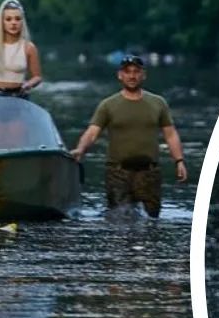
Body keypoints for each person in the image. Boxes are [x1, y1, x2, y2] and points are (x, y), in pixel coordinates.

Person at [70, 54, 187, 218]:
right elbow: (92, 132)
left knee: (151, 221)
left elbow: (170, 134)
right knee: (120, 221)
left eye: (136, 71)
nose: (132, 76)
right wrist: (80, 150)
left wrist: (179, 160)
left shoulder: (158, 103)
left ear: (143, 75)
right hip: (118, 173)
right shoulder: (108, 105)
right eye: (127, 72)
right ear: (120, 75)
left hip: (149, 173)